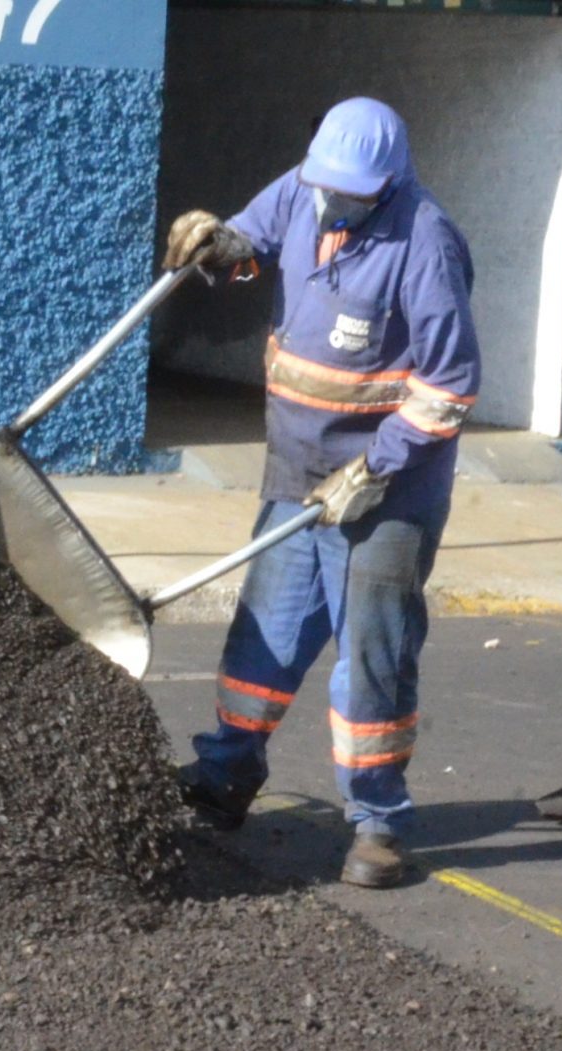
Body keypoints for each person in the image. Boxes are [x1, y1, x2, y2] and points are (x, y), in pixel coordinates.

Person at [161, 98, 481, 889]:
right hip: (297, 473)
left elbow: (448, 386)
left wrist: (376, 468)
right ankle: (225, 776)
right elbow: (248, 251)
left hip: (386, 493)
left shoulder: (425, 242)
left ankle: (377, 825)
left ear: (389, 181)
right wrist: (218, 244)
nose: (330, 202)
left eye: (350, 192)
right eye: (323, 186)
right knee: (260, 640)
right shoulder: (305, 188)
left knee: (371, 659)